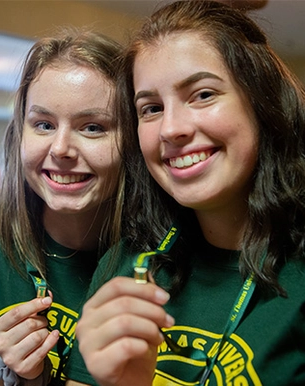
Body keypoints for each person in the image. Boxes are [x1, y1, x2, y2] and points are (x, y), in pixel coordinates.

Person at [65, 1, 305, 385]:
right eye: (152, 108)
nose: (171, 129)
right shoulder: (128, 263)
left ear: (262, 104)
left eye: (203, 94)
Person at [0, 28, 124, 385]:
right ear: (20, 132)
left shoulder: (159, 256)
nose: (60, 149)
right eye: (43, 124)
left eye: (92, 127)